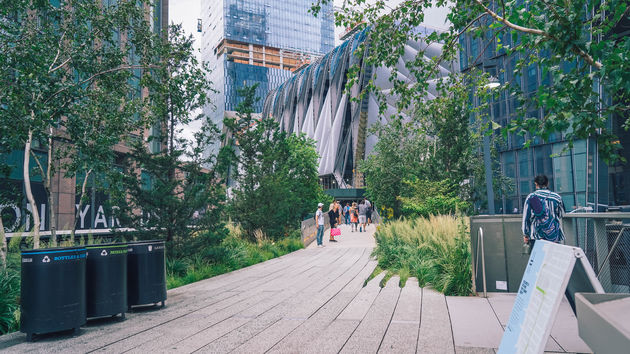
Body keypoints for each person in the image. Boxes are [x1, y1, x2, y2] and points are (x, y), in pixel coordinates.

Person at [522, 174, 566, 251]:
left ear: (536, 184)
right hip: (554, 235)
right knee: (553, 258)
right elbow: (561, 214)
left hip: (538, 234)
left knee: (538, 259)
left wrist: (526, 234)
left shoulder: (531, 197)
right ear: (547, 183)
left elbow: (526, 218)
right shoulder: (556, 197)